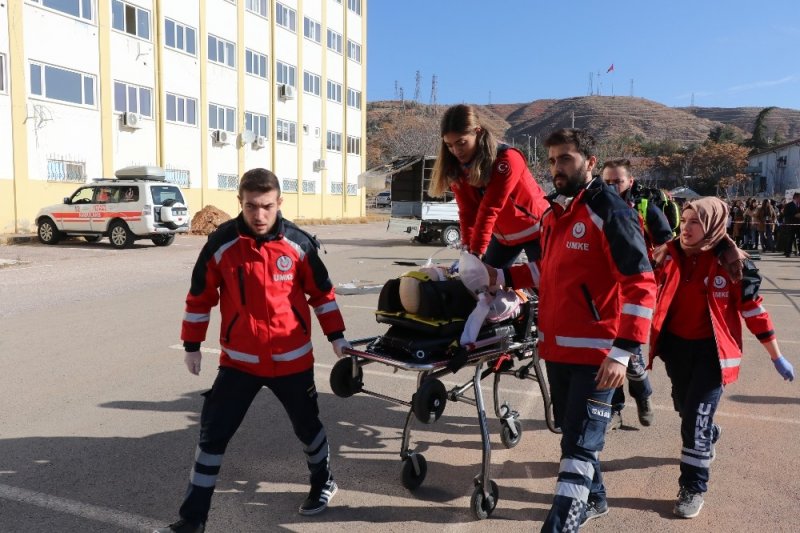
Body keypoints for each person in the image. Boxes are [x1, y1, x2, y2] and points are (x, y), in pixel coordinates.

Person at [156, 169, 352, 533]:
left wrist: (337, 337)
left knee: (308, 428)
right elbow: (200, 297)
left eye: (266, 206)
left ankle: (323, 482)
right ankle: (192, 520)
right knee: (212, 436)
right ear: (240, 203)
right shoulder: (221, 244)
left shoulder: (299, 244)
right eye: (251, 206)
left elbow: (322, 294)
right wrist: (192, 345)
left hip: (292, 361)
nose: (259, 215)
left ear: (279, 203)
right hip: (240, 363)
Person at [486, 129, 656, 530]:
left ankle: (562, 524)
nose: (556, 168)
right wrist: (499, 276)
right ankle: (596, 498)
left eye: (565, 158)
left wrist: (622, 352)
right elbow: (546, 270)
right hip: (557, 351)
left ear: (590, 162)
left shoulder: (610, 211)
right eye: (551, 161)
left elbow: (641, 283)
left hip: (598, 358)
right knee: (571, 437)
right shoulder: (553, 213)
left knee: (578, 448)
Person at [648, 196, 794, 519]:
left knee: (695, 421)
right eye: (684, 221)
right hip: (676, 350)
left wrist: (776, 356)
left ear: (713, 225)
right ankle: (709, 433)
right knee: (685, 410)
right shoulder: (666, 255)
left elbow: (754, 312)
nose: (686, 228)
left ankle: (693, 487)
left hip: (712, 355)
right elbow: (644, 291)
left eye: (695, 222)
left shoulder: (734, 264)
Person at [429, 104, 550, 268]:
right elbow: (468, 211)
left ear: (477, 132)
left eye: (461, 143)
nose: (456, 151)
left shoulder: (507, 159)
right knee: (484, 278)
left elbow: (490, 207)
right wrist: (468, 250)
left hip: (537, 230)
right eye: (449, 145)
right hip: (504, 238)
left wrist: (476, 252)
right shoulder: (459, 168)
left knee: (542, 279)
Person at [601, 158, 673, 430]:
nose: (612, 187)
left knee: (630, 356)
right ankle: (614, 409)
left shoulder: (645, 208)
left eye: (618, 181)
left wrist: (650, 262)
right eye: (607, 182)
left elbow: (667, 244)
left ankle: (643, 396)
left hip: (636, 291)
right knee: (607, 352)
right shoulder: (595, 207)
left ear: (630, 182)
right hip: (605, 294)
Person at [782, 192, 800, 257]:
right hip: (791, 225)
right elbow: (785, 215)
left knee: (799, 239)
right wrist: (794, 216)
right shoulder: (788, 205)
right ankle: (788, 252)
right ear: (796, 197)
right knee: (790, 239)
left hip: (799, 225)